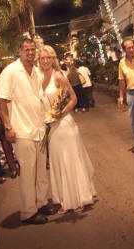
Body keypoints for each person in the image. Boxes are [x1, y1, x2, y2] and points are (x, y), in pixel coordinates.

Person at [0, 38, 56, 224]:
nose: (31, 53)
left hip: (38, 128)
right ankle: (28, 212)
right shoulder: (11, 72)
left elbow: (39, 98)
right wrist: (8, 126)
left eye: (33, 49)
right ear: (20, 51)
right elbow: (1, 100)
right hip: (21, 130)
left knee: (41, 171)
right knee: (28, 172)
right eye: (27, 50)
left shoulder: (36, 72)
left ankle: (41, 202)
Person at [39, 45, 96, 214]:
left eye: (48, 57)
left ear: (53, 58)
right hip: (51, 128)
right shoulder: (38, 78)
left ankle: (78, 198)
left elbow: (73, 98)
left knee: (69, 160)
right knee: (57, 162)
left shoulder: (59, 76)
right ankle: (64, 198)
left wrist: (60, 113)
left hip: (64, 125)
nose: (45, 61)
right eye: (42, 58)